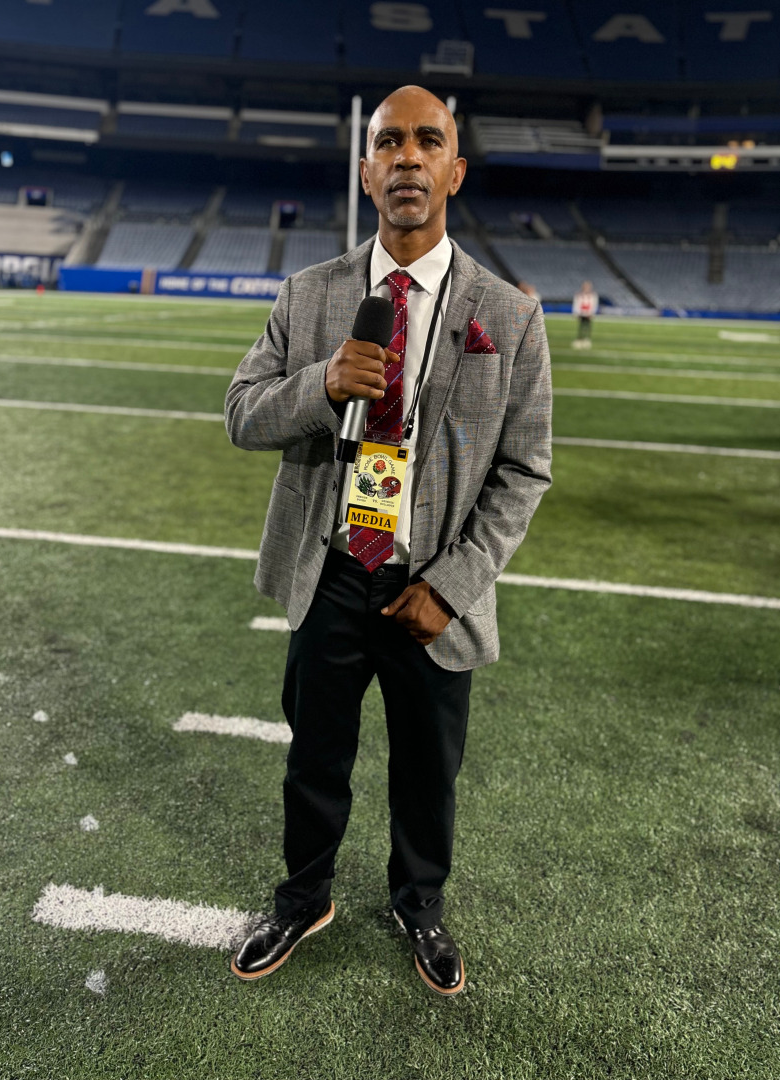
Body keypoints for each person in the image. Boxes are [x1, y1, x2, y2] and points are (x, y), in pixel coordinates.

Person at [224, 85, 552, 996]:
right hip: (331, 569)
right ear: (367, 173)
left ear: (455, 170)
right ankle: (303, 898)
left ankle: (420, 904)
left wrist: (453, 585)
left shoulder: (511, 317)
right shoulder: (309, 295)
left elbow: (525, 471)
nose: (407, 156)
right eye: (389, 143)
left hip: (429, 586)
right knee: (314, 756)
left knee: (428, 770)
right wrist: (321, 385)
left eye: (428, 141)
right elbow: (242, 414)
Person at [572, 279, 599, 348]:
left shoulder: (593, 295)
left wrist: (592, 313)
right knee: (581, 326)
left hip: (589, 314)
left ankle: (587, 339)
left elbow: (594, 305)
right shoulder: (579, 295)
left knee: (588, 326)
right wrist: (576, 313)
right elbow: (576, 304)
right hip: (581, 313)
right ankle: (580, 339)